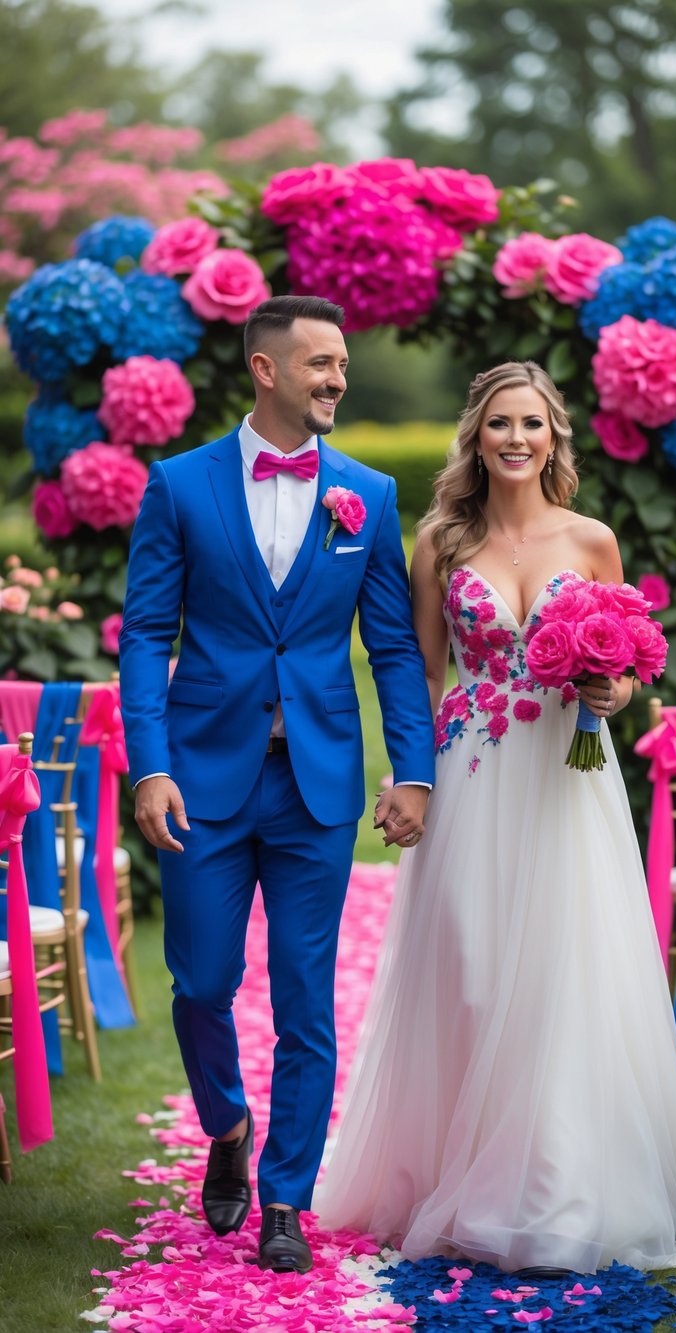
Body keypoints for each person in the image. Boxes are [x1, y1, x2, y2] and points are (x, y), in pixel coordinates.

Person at [315, 360, 676, 1274]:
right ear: (475, 436)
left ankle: (551, 1185)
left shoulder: (592, 539)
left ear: (555, 437)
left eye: (534, 424)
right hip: (471, 774)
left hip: (567, 780)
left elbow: (628, 672)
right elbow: (418, 673)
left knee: (563, 971)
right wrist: (412, 776)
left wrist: (615, 686)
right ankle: (457, 1165)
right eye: (500, 424)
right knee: (471, 967)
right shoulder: (437, 541)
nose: (517, 438)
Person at [118, 295, 435, 1274]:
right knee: (201, 980)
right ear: (266, 370)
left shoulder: (367, 496)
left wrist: (413, 769)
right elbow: (143, 634)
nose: (338, 377)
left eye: (341, 363)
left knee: (305, 999)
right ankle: (226, 1124)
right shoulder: (177, 487)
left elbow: (391, 643)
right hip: (201, 780)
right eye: (321, 364)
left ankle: (286, 1197)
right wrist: (151, 763)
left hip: (319, 784)